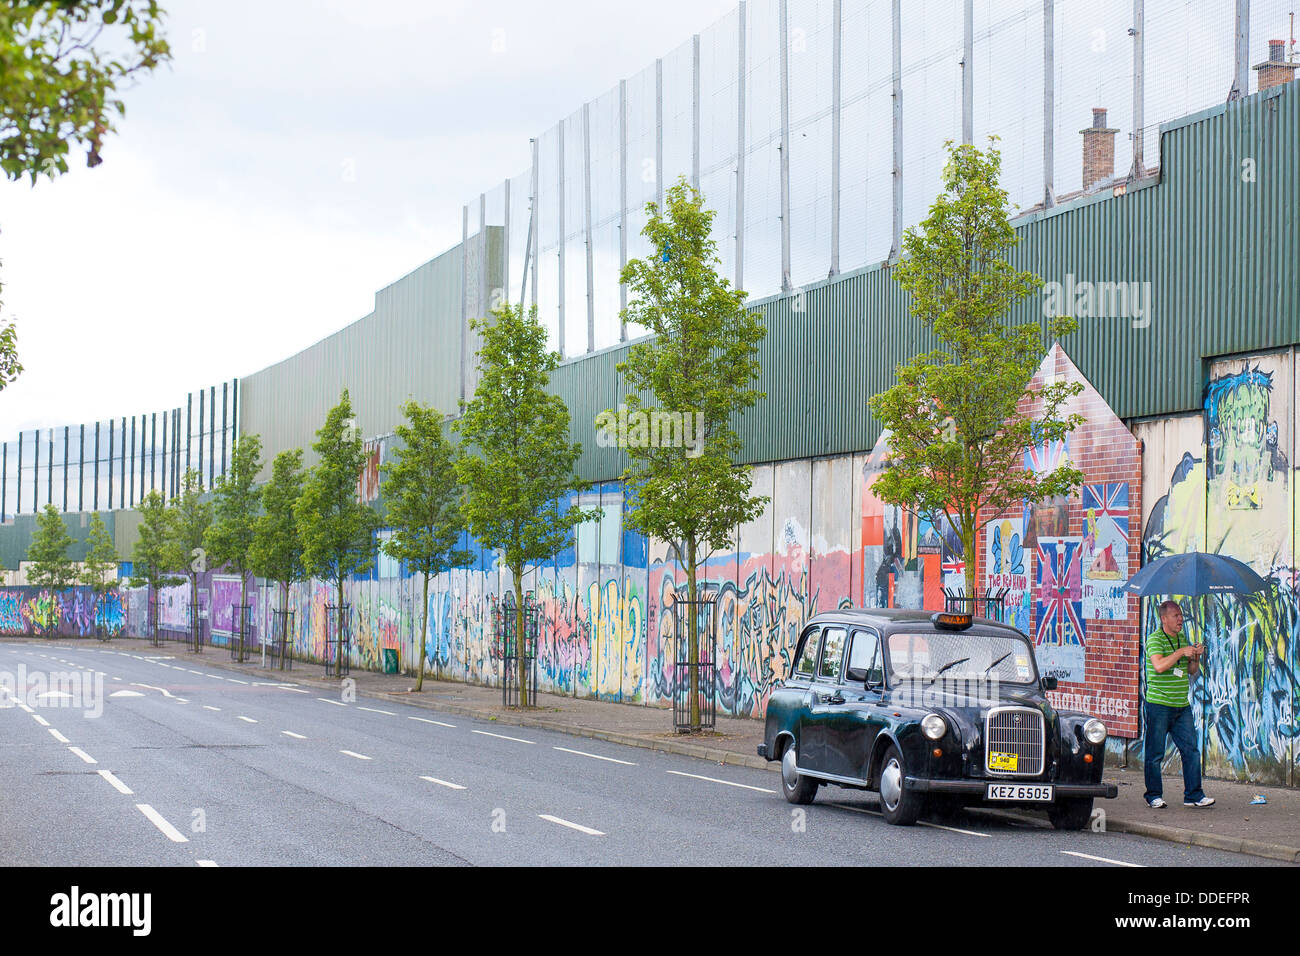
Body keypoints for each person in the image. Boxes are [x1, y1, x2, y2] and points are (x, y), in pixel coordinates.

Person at [1143, 600, 1214, 808]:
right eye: (1175, 615)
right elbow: (1159, 665)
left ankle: (1194, 795)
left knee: (1191, 750)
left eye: (1181, 615)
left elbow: (1191, 671)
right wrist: (1181, 652)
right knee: (1155, 753)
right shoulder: (1155, 640)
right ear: (1164, 619)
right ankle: (1153, 796)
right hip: (1159, 705)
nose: (1180, 619)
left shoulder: (1182, 638)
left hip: (1181, 705)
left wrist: (1196, 657)